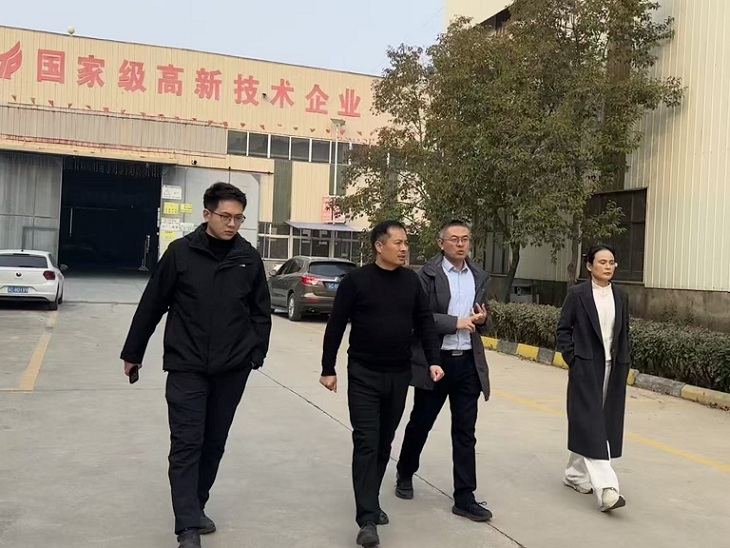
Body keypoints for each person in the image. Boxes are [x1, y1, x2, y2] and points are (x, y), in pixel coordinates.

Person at [120, 182, 272, 548]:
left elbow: (261, 312)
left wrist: (255, 354)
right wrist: (133, 352)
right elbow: (152, 304)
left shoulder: (248, 258)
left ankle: (197, 505)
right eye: (225, 216)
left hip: (231, 368)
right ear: (207, 214)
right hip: (186, 365)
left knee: (214, 442)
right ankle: (187, 527)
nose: (232, 224)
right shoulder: (181, 253)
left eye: (238, 218)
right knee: (186, 443)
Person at [320, 220, 445, 548]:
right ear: (379, 246)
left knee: (383, 442)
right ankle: (367, 519)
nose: (404, 249)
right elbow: (336, 324)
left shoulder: (411, 282)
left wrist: (434, 360)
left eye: (406, 243)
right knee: (366, 441)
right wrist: (328, 368)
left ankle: (371, 500)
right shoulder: (356, 281)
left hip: (399, 374)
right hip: (364, 374)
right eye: (398, 243)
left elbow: (425, 323)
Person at [395, 220, 493, 522]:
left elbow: (482, 316)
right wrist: (455, 322)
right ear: (441, 243)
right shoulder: (426, 275)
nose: (460, 244)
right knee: (421, 423)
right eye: (454, 239)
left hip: (468, 363)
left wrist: (482, 319)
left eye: (465, 239)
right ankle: (405, 472)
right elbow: (419, 317)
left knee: (465, 432)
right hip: (436, 361)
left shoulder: (478, 275)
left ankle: (464, 496)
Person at [556, 244, 630, 513]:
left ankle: (575, 474)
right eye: (602, 262)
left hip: (614, 367)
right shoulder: (578, 295)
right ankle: (607, 489)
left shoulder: (620, 296)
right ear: (589, 266)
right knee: (591, 422)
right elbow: (563, 329)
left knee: (599, 421)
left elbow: (624, 333)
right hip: (586, 367)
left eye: (611, 262)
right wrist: (574, 359)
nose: (608, 267)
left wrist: (625, 361)